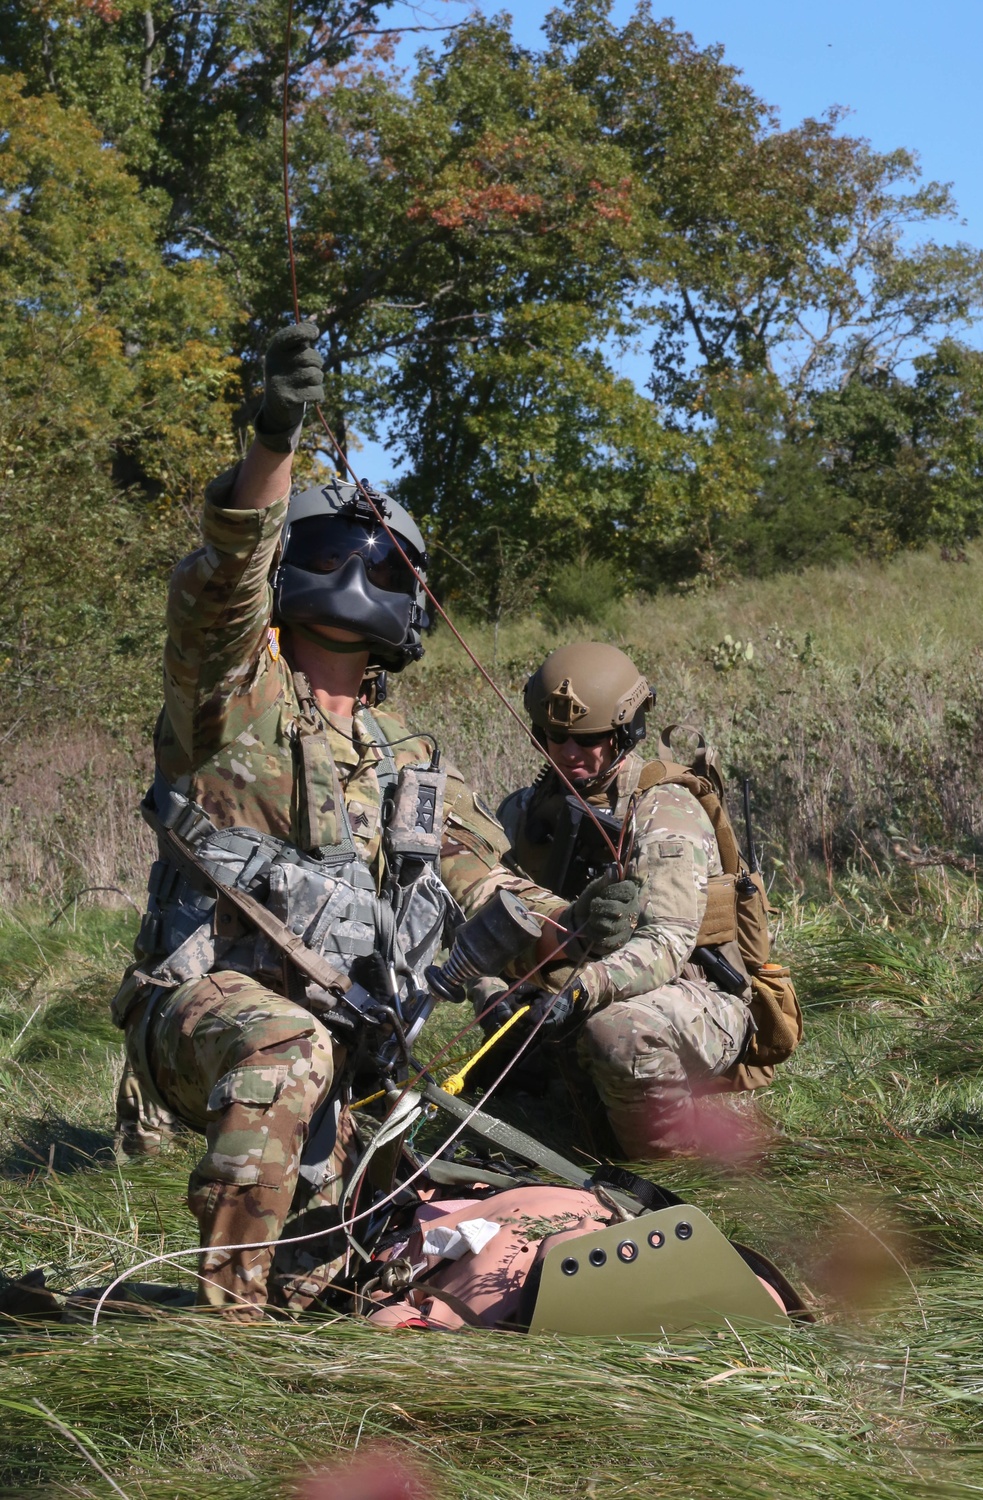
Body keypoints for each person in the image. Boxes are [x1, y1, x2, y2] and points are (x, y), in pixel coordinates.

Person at [109, 324, 639, 1317]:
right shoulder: (231, 697)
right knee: (282, 1048)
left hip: (359, 1053)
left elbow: (486, 889)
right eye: (334, 553)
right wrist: (273, 441)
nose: (360, 577)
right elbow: (220, 584)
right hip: (205, 1018)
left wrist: (578, 926)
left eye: (388, 568)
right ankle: (226, 1339)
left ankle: (287, 1295)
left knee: (336, 1281)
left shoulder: (413, 759)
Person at [474, 641, 759, 1159]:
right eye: (555, 737)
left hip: (694, 994)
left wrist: (580, 992)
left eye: (589, 739)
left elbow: (669, 941)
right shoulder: (525, 811)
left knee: (621, 1031)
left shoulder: (662, 808)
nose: (569, 753)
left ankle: (672, 1171)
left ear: (626, 732)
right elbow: (496, 905)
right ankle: (569, 1106)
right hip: (572, 984)